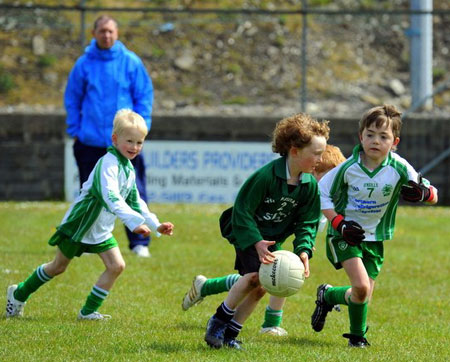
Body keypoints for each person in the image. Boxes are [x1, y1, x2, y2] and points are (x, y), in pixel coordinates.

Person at [6, 109, 174, 320]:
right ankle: (18, 294)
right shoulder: (108, 164)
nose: (134, 147)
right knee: (57, 267)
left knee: (116, 266)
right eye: (129, 141)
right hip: (80, 226)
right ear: (115, 139)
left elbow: (135, 200)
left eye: (139, 142)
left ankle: (87, 313)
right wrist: (134, 224)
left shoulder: (128, 168)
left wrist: (156, 224)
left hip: (100, 230)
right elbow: (111, 197)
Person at [182, 145, 346, 338]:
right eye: (328, 177)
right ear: (313, 170)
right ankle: (258, 323)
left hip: (271, 235)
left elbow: (306, 226)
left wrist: (304, 247)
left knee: (271, 275)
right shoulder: (283, 180)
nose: (334, 184)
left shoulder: (320, 197)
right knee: (269, 274)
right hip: (251, 231)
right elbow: (244, 211)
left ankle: (208, 290)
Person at [311, 105, 438, 348]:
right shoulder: (349, 168)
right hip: (344, 235)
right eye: (370, 134)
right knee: (360, 286)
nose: (375, 141)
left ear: (395, 142)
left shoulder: (400, 167)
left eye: (383, 136)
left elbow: (434, 195)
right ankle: (357, 338)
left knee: (362, 294)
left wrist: (423, 194)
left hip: (375, 238)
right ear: (361, 137)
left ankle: (327, 295)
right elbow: (321, 192)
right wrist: (339, 223)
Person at [203, 113, 330, 350]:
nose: (320, 159)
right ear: (294, 151)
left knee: (262, 287)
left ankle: (231, 334)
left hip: (271, 239)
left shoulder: (310, 185)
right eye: (316, 153)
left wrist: (303, 250)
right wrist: (256, 242)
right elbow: (242, 211)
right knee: (253, 277)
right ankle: (217, 322)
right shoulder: (265, 177)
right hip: (245, 231)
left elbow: (308, 222)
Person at [64, 14, 154, 257]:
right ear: (94, 34)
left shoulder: (130, 62)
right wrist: (75, 129)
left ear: (117, 33)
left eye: (110, 31)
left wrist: (140, 127)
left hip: (125, 145)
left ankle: (139, 243)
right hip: (90, 142)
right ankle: (84, 242)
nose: (107, 35)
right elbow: (72, 98)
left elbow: (144, 96)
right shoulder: (83, 64)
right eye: (102, 31)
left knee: (134, 191)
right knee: (91, 195)